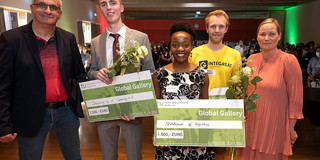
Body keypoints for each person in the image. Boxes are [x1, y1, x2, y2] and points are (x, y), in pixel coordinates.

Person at [0, 0, 87, 159]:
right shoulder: (12, 39)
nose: (48, 11)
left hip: (66, 112)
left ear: (59, 14)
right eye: (42, 5)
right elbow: (3, 85)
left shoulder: (68, 38)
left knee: (74, 157)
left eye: (53, 7)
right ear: (32, 8)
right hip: (29, 114)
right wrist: (3, 124)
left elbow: (79, 75)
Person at [87, 0, 155, 159]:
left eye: (113, 3)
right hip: (106, 110)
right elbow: (90, 72)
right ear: (101, 9)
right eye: (103, 4)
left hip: (131, 112)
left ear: (122, 8)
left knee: (134, 156)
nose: (108, 7)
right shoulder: (96, 42)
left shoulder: (141, 38)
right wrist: (96, 74)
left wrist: (139, 107)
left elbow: (150, 73)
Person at [240, 18, 303, 160]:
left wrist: (291, 128)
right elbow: (246, 92)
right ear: (257, 36)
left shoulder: (288, 60)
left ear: (279, 36)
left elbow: (296, 99)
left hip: (274, 125)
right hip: (251, 123)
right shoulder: (251, 59)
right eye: (262, 34)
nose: (266, 38)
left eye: (272, 34)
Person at [152, 21, 210, 160]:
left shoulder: (202, 75)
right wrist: (157, 132)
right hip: (169, 139)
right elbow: (156, 109)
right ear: (170, 46)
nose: (180, 49)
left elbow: (205, 108)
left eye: (185, 44)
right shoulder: (159, 74)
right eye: (175, 44)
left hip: (195, 138)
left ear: (192, 46)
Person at [189, 10, 241, 159]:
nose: (217, 30)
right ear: (206, 28)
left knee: (220, 152)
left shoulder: (234, 55)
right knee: (198, 150)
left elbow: (237, 87)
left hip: (223, 113)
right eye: (213, 26)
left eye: (221, 26)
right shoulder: (195, 53)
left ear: (226, 28)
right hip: (200, 111)